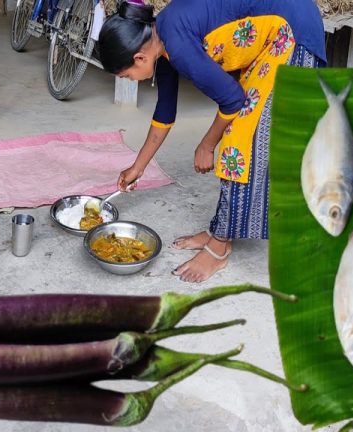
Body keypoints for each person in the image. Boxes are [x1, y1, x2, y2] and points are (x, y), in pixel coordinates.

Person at [97, 0, 327, 283]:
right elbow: (165, 113)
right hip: (273, 36)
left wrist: (206, 145)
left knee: (238, 144)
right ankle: (222, 229)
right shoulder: (161, 39)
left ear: (139, 58)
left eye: (125, 76)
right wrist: (138, 167)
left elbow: (232, 100)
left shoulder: (177, 45)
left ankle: (219, 248)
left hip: (292, 32)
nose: (130, 80)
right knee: (239, 136)